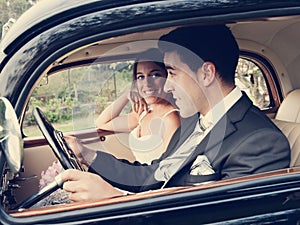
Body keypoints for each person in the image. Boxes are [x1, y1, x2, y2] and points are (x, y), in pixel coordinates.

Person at [61, 24, 290, 202]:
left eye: (172, 73)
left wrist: (118, 200)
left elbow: (221, 216)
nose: (168, 86)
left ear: (206, 73)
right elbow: (154, 174)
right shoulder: (192, 121)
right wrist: (88, 155)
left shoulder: (261, 142)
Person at [95, 48, 180, 164]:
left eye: (155, 75)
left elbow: (167, 168)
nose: (147, 84)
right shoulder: (142, 115)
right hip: (140, 175)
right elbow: (101, 123)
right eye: (140, 77)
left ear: (167, 76)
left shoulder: (171, 118)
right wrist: (127, 95)